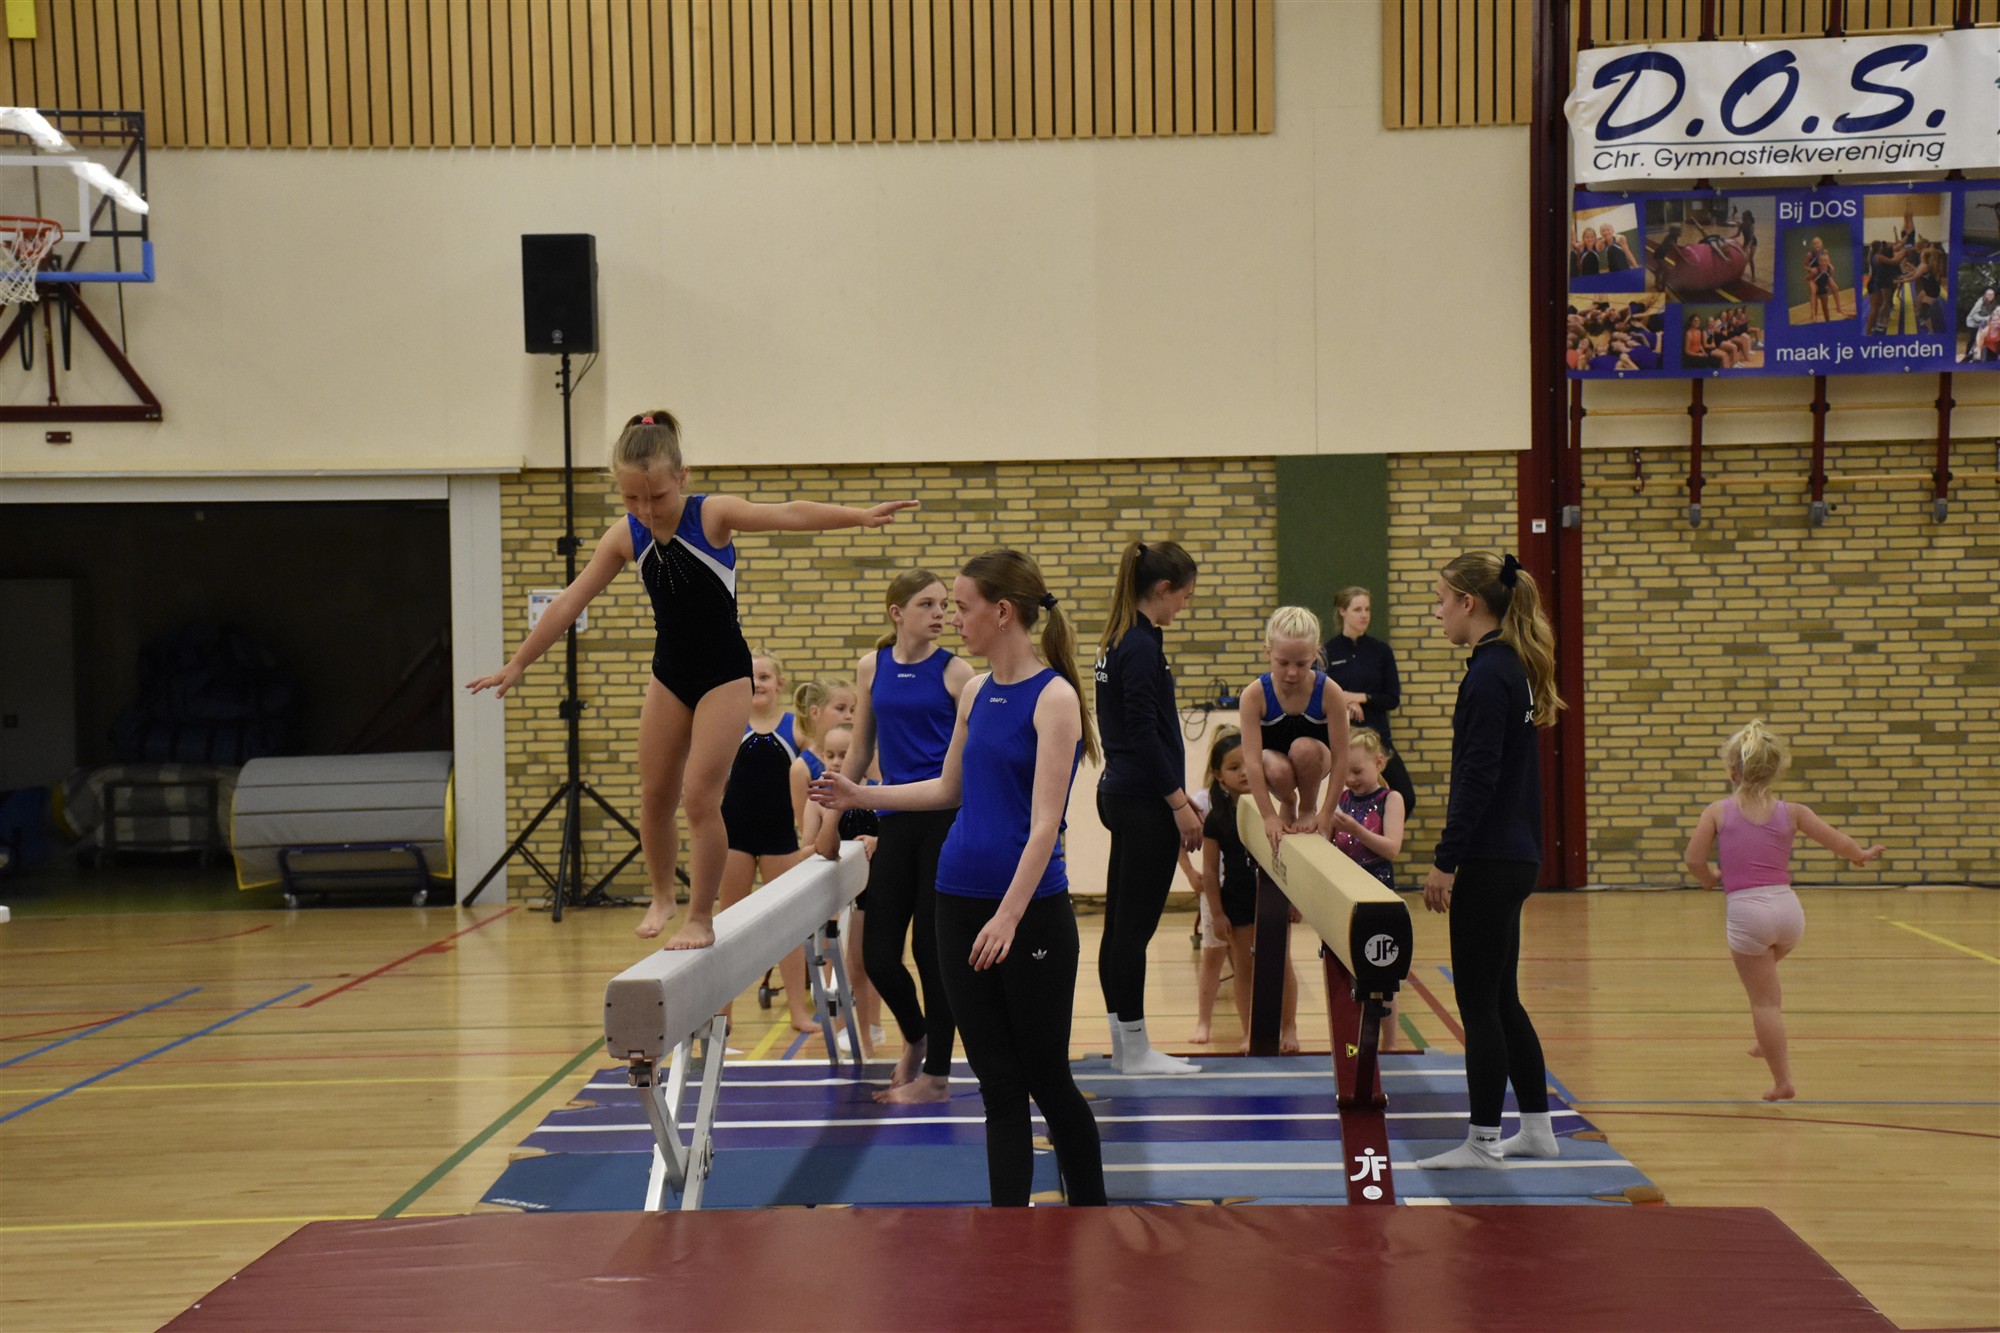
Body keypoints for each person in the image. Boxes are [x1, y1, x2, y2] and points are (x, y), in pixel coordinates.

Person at [466, 409, 916, 948]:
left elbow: (787, 513)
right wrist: (518, 662)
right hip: (670, 674)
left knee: (700, 798)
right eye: (632, 498)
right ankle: (662, 895)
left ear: (682, 477)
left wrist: (857, 516)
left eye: (657, 497)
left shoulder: (711, 515)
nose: (645, 509)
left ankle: (700, 917)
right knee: (655, 794)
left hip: (724, 675)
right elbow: (569, 601)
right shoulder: (626, 535)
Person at [812, 550, 1108, 1209]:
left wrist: (1008, 915)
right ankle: (1010, 1229)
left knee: (1047, 1078)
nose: (954, 618)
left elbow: (1045, 824)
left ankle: (1092, 1216)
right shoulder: (974, 692)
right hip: (957, 898)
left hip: (1027, 912)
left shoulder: (1054, 697)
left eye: (964, 606)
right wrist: (863, 794)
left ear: (1002, 613)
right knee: (998, 1085)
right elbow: (948, 788)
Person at [1415, 550, 1564, 1170]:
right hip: (1515, 853)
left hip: (1490, 855)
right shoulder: (1511, 668)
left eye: (1442, 601)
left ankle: (1481, 1141)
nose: (1438, 613)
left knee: (1478, 1001)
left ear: (1469, 603)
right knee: (1502, 998)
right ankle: (1537, 1129)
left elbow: (1477, 777)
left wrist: (1446, 860)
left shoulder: (1487, 675)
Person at [1681, 720, 1884, 1102]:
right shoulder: (1793, 811)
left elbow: (1694, 859)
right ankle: (1767, 1037)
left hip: (1748, 912)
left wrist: (1709, 878)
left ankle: (1783, 1081)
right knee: (1767, 986)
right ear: (1775, 772)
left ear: (1732, 771)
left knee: (1764, 1002)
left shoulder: (1718, 811)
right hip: (1789, 911)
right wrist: (1859, 854)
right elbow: (1836, 840)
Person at [842, 570, 975, 1103]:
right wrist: (833, 815)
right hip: (894, 817)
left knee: (931, 951)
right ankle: (916, 1037)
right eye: (927, 604)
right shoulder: (871, 667)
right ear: (897, 613)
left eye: (944, 604)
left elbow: (975, 759)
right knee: (878, 955)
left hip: (945, 820)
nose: (941, 614)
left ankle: (936, 1076)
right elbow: (859, 749)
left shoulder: (957, 673)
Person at [1093, 539, 1203, 1076]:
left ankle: (1125, 1045)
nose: (1184, 606)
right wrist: (1178, 802)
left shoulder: (1120, 639)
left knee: (1119, 928)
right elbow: (1142, 733)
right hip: (1142, 800)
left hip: (1122, 793)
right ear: (1162, 589)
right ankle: (1135, 1051)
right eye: (1184, 596)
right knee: (1132, 933)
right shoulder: (1138, 646)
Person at [717, 652, 817, 1033]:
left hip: (781, 838)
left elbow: (819, 767)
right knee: (728, 927)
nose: (757, 683)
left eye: (764, 677)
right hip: (734, 837)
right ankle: (722, 1015)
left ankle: (798, 1012)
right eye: (751, 677)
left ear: (780, 684)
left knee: (788, 927)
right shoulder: (731, 726)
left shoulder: (796, 729)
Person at [1195, 731, 1300, 1054]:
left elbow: (1292, 857)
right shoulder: (1217, 817)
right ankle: (1249, 1031)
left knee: (1281, 963)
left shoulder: (1276, 808)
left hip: (1274, 895)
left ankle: (1289, 1028)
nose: (1243, 772)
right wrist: (1217, 913)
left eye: (1247, 764)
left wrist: (1295, 900)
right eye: (1233, 767)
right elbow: (1209, 870)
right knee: (1245, 967)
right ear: (1218, 776)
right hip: (1237, 898)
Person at [1240, 606, 1350, 851]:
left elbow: (1342, 757)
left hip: (1316, 760)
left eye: (1301, 664)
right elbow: (1252, 762)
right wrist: (1269, 815)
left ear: (1315, 654)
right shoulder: (1254, 696)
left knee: (1303, 748)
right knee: (1277, 768)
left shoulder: (1330, 692)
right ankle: (1288, 800)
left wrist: (1326, 813)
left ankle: (1307, 807)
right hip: (1275, 768)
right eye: (1283, 663)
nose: (1292, 672)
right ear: (1268, 652)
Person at [805, 722, 884, 1054]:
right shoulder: (818, 800)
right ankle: (842, 1029)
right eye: (830, 755)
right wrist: (830, 831)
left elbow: (896, 837)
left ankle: (866, 1034)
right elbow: (808, 849)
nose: (837, 762)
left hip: (873, 892)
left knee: (862, 966)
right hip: (837, 894)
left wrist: (877, 841)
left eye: (845, 754)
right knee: (839, 966)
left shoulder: (879, 793)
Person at [1328, 727, 1405, 1052]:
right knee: (1351, 974)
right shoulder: (1341, 800)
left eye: (1357, 771)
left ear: (1379, 763)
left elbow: (1391, 848)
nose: (1351, 780)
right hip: (1347, 895)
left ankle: (1391, 1045)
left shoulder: (1391, 799)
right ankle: (1354, 1046)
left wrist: (1356, 829)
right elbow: (1329, 846)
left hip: (1378, 894)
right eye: (1345, 773)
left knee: (1382, 974)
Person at [1322, 586, 1416, 816]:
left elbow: (1391, 698)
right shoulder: (1328, 651)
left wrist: (1360, 697)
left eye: (1367, 609)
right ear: (1342, 611)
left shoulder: (1381, 651)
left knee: (1406, 795)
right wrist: (1345, 702)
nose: (1364, 615)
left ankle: (1380, 832)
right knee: (1345, 799)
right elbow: (1321, 693)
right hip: (1343, 739)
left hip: (1378, 737)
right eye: (1357, 610)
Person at [1964, 288, 1997, 362]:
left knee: (1979, 341)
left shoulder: (1992, 303)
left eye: (1992, 294)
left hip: (1980, 323)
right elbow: (1974, 316)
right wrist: (1986, 318)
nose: (1990, 296)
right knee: (1972, 340)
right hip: (1972, 323)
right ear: (1985, 295)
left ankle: (1977, 356)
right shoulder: (1980, 302)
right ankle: (1967, 356)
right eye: (1988, 294)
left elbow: (1989, 314)